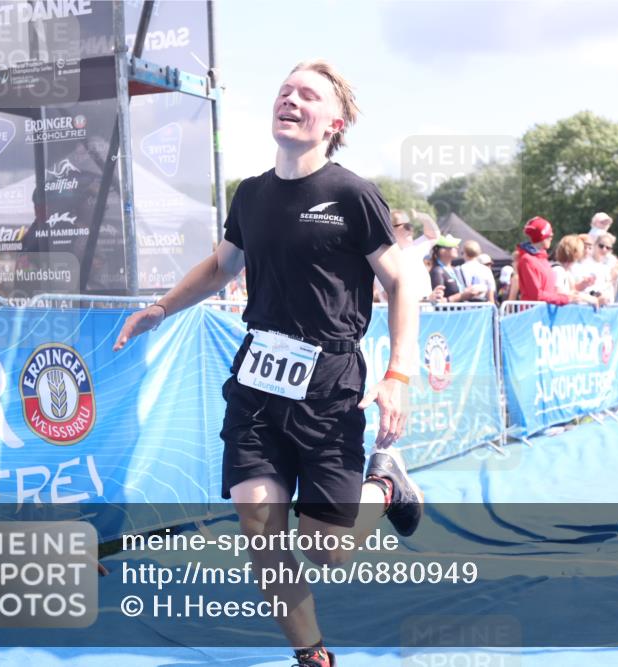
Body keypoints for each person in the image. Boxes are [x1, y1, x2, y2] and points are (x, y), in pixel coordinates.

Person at [113, 60, 422, 667]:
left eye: (308, 95)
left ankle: (384, 485)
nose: (291, 99)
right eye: (284, 90)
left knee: (327, 550)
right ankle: (312, 656)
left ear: (334, 123)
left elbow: (404, 281)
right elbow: (223, 267)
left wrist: (398, 375)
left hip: (330, 382)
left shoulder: (352, 195)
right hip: (257, 380)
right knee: (262, 534)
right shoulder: (250, 194)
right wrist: (161, 307)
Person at [516, 216, 597, 305]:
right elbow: (536, 295)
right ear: (541, 236)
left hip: (544, 313)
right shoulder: (527, 260)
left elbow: (549, 292)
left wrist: (573, 296)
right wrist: (566, 299)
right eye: (549, 235)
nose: (552, 236)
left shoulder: (542, 259)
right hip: (533, 314)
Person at [373, 209, 438, 302]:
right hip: (403, 316)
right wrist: (426, 299)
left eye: (411, 225)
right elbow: (391, 296)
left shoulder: (414, 248)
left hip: (426, 314)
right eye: (407, 226)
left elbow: (434, 236)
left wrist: (421, 216)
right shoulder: (382, 258)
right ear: (389, 229)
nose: (411, 229)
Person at [429, 234, 483, 302]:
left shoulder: (454, 270)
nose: (457, 247)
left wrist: (469, 291)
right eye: (453, 246)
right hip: (448, 312)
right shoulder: (437, 271)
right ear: (442, 251)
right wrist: (461, 296)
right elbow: (438, 301)